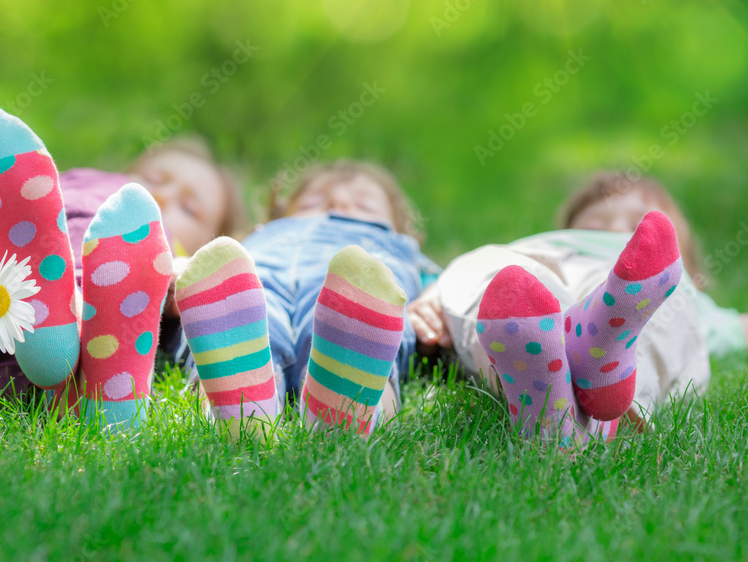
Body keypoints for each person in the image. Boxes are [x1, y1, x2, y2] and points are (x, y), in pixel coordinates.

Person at [0, 110, 245, 401]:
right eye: (152, 177)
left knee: (136, 248)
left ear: (207, 241)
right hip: (21, 245)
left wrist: (183, 281)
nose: (163, 194)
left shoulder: (181, 251)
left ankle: (56, 326)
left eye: (190, 207)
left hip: (83, 281)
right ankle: (67, 332)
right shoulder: (93, 183)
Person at [406, 171, 739, 430]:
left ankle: (564, 407)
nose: (614, 228)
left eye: (637, 221)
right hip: (547, 262)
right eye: (597, 220)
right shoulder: (548, 243)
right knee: (501, 280)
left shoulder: (689, 294)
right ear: (572, 227)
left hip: (641, 287)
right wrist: (441, 289)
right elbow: (463, 281)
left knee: (663, 314)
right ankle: (588, 364)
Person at [171, 159, 441, 438]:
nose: (337, 204)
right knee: (235, 319)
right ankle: (238, 409)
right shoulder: (261, 236)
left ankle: (351, 411)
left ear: (398, 227)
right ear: (277, 216)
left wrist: (435, 297)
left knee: (358, 326)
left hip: (351, 289)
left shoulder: (400, 246)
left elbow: (441, 285)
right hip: (258, 287)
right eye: (313, 202)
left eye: (364, 206)